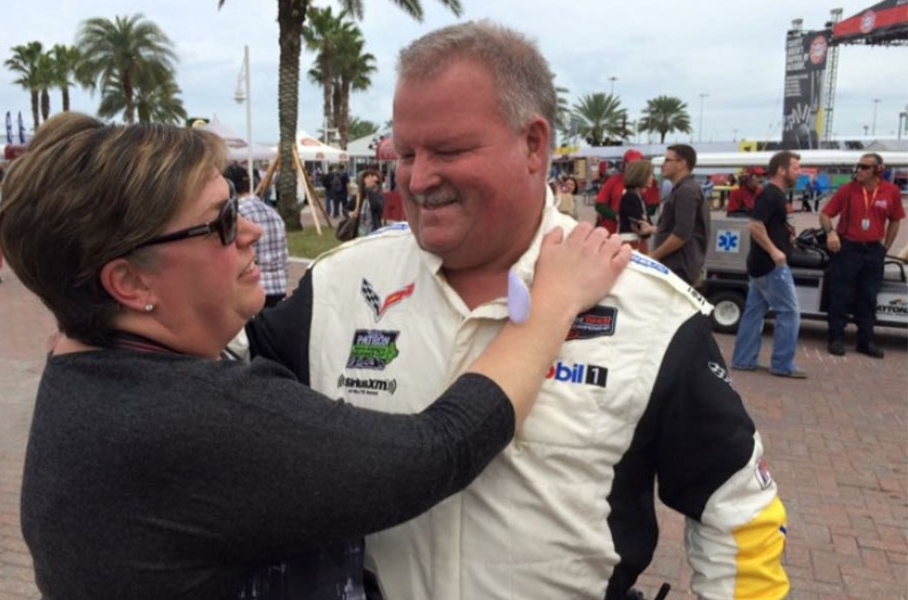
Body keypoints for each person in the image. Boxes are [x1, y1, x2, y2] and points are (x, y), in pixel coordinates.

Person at [242, 21, 789, 600]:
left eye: (448, 150)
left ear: (533, 145)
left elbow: (738, 512)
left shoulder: (650, 311)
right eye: (404, 153)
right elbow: (214, 407)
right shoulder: (339, 285)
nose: (418, 179)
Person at [0, 111, 629, 600]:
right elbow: (440, 449)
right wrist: (551, 304)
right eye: (220, 223)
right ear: (130, 283)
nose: (252, 230)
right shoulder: (184, 416)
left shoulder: (87, 369)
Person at [819, 152, 904, 358]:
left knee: (868, 297)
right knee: (840, 295)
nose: (858, 170)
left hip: (873, 250)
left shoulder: (890, 191)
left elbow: (895, 220)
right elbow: (825, 214)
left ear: (878, 170)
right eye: (858, 166)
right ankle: (836, 338)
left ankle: (865, 341)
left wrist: (885, 247)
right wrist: (830, 233)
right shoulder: (847, 190)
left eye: (864, 167)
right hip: (848, 249)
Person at [731, 151, 806, 378]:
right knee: (789, 312)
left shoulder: (774, 195)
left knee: (753, 312)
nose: (799, 172)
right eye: (795, 168)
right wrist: (775, 251)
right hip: (771, 266)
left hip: (760, 265)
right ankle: (783, 364)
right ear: (782, 170)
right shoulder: (771, 195)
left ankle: (743, 359)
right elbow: (755, 225)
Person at [649, 144, 709, 286]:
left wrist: (653, 256)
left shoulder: (686, 191)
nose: (663, 165)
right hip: (676, 266)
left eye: (667, 160)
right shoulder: (683, 189)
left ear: (682, 164)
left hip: (678, 268)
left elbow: (681, 234)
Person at [238, 193, 290, 307]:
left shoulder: (239, 213)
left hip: (253, 286)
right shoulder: (274, 213)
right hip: (277, 286)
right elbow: (284, 255)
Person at [616, 159, 655, 251]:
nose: (652, 178)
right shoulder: (630, 197)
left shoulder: (640, 197)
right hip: (630, 243)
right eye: (649, 175)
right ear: (640, 176)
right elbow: (640, 225)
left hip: (637, 242)